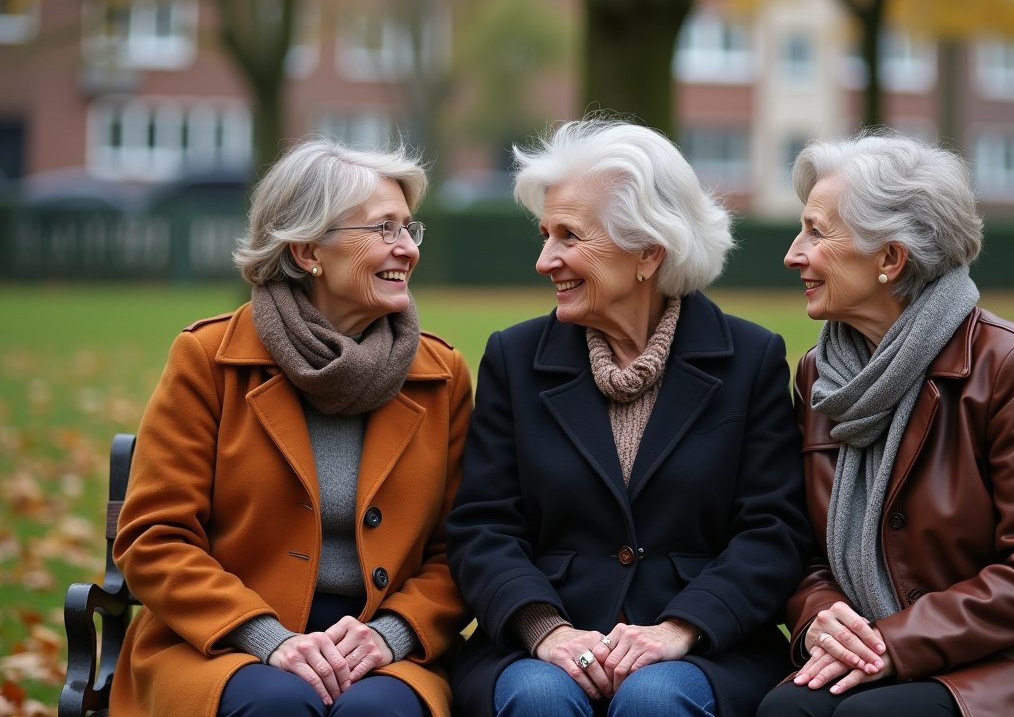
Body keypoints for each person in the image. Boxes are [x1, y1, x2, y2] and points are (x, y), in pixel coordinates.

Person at [445, 120, 813, 717]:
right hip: (543, 643)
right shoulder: (514, 357)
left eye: (569, 236)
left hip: (704, 645)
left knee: (656, 700)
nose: (544, 260)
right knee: (539, 698)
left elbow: (774, 532)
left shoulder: (751, 359)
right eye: (545, 234)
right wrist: (546, 630)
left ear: (648, 251)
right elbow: (483, 526)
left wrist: (681, 627)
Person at [758, 132, 1014, 717]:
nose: (793, 254)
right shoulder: (819, 376)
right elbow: (804, 550)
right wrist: (820, 617)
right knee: (787, 711)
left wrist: (895, 642)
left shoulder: (1009, 363)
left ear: (890, 259)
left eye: (816, 233)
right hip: (874, 646)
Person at [110, 139, 474, 717]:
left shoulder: (442, 375)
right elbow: (154, 537)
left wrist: (393, 634)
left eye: (410, 228)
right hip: (221, 641)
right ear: (308, 251)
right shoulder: (209, 359)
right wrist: (266, 637)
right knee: (277, 703)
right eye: (384, 228)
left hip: (384, 647)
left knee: (377, 713)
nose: (407, 248)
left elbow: (461, 548)